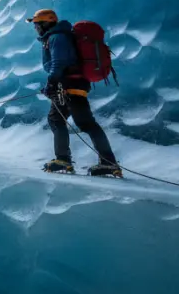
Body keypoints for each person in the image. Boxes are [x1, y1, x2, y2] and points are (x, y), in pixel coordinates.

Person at [29, 9, 120, 177]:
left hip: (67, 84)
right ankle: (106, 161)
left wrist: (52, 82)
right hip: (74, 83)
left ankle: (66, 159)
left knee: (61, 120)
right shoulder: (61, 35)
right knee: (78, 121)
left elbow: (58, 62)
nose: (35, 28)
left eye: (36, 24)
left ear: (44, 24)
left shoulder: (56, 37)